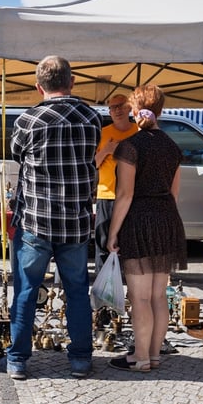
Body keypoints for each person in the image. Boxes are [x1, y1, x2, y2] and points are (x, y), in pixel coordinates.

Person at [5, 55, 101, 380]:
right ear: (71, 82)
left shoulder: (28, 120)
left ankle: (18, 359)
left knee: (27, 290)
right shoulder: (91, 118)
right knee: (76, 291)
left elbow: (16, 154)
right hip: (75, 222)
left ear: (38, 86)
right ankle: (81, 360)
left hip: (36, 220)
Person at [106, 84, 187, 372]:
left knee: (139, 297)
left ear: (133, 107)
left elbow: (125, 195)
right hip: (166, 219)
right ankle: (153, 355)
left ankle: (139, 358)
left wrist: (113, 232)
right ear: (161, 109)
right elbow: (174, 194)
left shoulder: (131, 146)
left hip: (139, 221)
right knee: (157, 296)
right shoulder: (172, 147)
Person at [94, 93, 139, 274]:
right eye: (113, 107)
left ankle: (129, 292)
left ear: (129, 107)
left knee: (128, 245)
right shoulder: (102, 133)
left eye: (121, 105)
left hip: (132, 197)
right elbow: (92, 164)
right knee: (103, 245)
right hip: (106, 196)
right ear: (109, 112)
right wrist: (107, 150)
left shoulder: (138, 132)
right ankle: (103, 292)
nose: (117, 110)